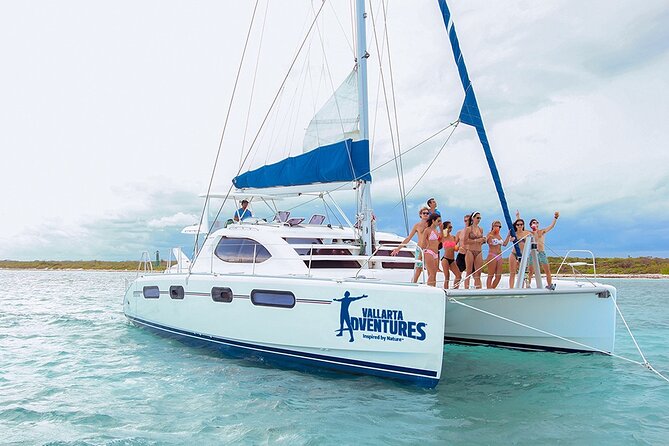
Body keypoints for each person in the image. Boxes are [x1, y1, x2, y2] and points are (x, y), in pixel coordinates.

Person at [391, 207, 430, 283]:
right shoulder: (417, 226)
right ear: (420, 215)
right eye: (424, 213)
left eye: (427, 213)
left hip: (429, 249)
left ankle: (430, 285)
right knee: (418, 269)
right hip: (420, 249)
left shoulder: (430, 225)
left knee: (430, 269)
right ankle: (414, 283)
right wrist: (398, 248)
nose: (426, 214)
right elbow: (408, 238)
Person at [526, 211, 560, 290]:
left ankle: (549, 285)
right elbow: (521, 229)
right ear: (531, 225)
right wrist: (518, 216)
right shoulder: (529, 233)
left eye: (537, 222)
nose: (535, 224)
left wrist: (555, 218)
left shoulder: (542, 231)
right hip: (533, 253)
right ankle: (528, 285)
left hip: (541, 252)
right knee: (530, 271)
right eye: (534, 222)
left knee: (547, 270)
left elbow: (551, 226)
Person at [508, 215, 532, 288]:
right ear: (516, 226)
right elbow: (510, 239)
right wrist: (511, 239)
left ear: (523, 225)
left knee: (523, 273)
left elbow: (534, 237)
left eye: (521, 224)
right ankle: (511, 288)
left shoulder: (527, 233)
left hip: (523, 255)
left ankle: (522, 288)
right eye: (518, 225)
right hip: (514, 254)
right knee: (512, 273)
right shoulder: (514, 233)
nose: (519, 226)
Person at [464, 211, 486, 289]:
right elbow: (465, 241)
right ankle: (466, 288)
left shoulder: (481, 229)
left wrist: (483, 240)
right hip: (470, 250)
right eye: (477, 218)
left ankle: (478, 288)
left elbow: (481, 241)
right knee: (469, 271)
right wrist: (476, 241)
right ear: (473, 218)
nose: (479, 220)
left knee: (478, 272)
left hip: (479, 251)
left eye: (480, 218)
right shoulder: (468, 229)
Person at [419, 213, 442, 287]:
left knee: (434, 274)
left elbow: (439, 241)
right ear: (433, 221)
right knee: (432, 273)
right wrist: (420, 256)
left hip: (436, 253)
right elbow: (423, 243)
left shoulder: (436, 230)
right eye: (438, 221)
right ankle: (429, 289)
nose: (440, 222)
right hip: (429, 252)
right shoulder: (427, 230)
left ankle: (433, 288)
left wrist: (441, 230)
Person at [486, 220, 510, 289]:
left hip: (499, 256)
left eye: (499, 226)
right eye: (496, 226)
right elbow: (487, 241)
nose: (498, 227)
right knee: (490, 275)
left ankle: (492, 288)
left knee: (498, 276)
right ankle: (488, 290)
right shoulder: (490, 234)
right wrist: (492, 232)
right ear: (493, 226)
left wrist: (508, 236)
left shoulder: (499, 236)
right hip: (492, 255)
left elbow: (504, 244)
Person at [441, 221, 461, 289]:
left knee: (458, 276)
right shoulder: (443, 237)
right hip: (445, 259)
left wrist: (458, 246)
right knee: (447, 277)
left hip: (452, 259)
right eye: (449, 227)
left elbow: (455, 249)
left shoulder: (453, 237)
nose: (451, 229)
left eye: (451, 227)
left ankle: (455, 289)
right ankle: (446, 291)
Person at [453, 214, 470, 288]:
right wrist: (457, 247)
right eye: (465, 221)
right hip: (461, 254)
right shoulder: (460, 232)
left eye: (468, 220)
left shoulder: (475, 231)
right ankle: (455, 289)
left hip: (471, 254)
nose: (467, 222)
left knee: (470, 274)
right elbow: (454, 244)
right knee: (458, 275)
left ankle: (468, 289)